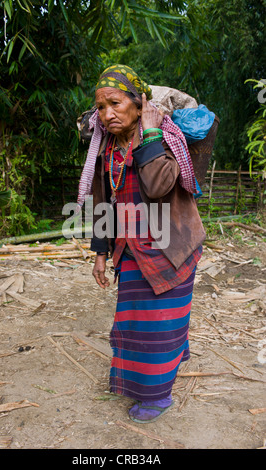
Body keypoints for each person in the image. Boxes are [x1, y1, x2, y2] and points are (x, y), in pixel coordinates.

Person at [76, 65, 206, 424]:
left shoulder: (164, 138)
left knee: (161, 327)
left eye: (115, 104)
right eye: (101, 107)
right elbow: (104, 203)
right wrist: (100, 254)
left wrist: (149, 134)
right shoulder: (106, 147)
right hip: (131, 249)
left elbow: (160, 185)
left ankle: (157, 396)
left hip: (172, 248)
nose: (107, 114)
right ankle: (164, 363)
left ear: (139, 104)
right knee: (136, 324)